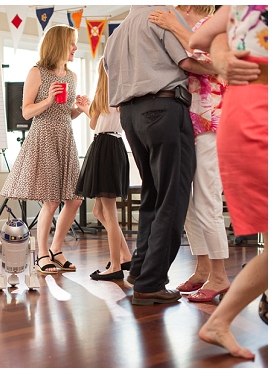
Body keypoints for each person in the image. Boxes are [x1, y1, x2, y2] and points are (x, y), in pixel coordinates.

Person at [103, 6, 216, 306]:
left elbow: (108, 73)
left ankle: (140, 271)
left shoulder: (116, 33)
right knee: (174, 196)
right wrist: (222, 68)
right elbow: (188, 61)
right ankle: (151, 282)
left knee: (153, 194)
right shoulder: (161, 15)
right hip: (164, 108)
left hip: (129, 115)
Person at [190, 4, 267, 359]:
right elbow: (202, 38)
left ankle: (220, 321)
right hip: (256, 112)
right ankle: (221, 318)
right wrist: (222, 59)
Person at [149, 6, 232, 302]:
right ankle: (202, 268)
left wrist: (175, 26)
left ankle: (220, 275)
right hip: (185, 121)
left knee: (207, 198)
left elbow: (214, 61)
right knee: (186, 201)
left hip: (213, 120)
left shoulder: (216, 24)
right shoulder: (179, 23)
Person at [0, 24, 89, 275]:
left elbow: (66, 114)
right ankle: (41, 254)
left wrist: (80, 110)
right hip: (44, 135)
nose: (75, 48)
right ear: (59, 44)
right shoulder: (37, 72)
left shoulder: (72, 76)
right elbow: (27, 112)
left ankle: (56, 250)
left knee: (75, 199)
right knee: (51, 200)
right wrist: (48, 99)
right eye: (72, 43)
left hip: (65, 136)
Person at [76, 58, 132, 281]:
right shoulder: (122, 92)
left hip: (104, 148)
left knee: (107, 211)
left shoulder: (104, 92)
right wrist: (87, 108)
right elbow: (99, 122)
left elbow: (95, 125)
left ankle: (115, 265)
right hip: (114, 145)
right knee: (99, 211)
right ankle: (126, 256)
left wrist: (87, 108)